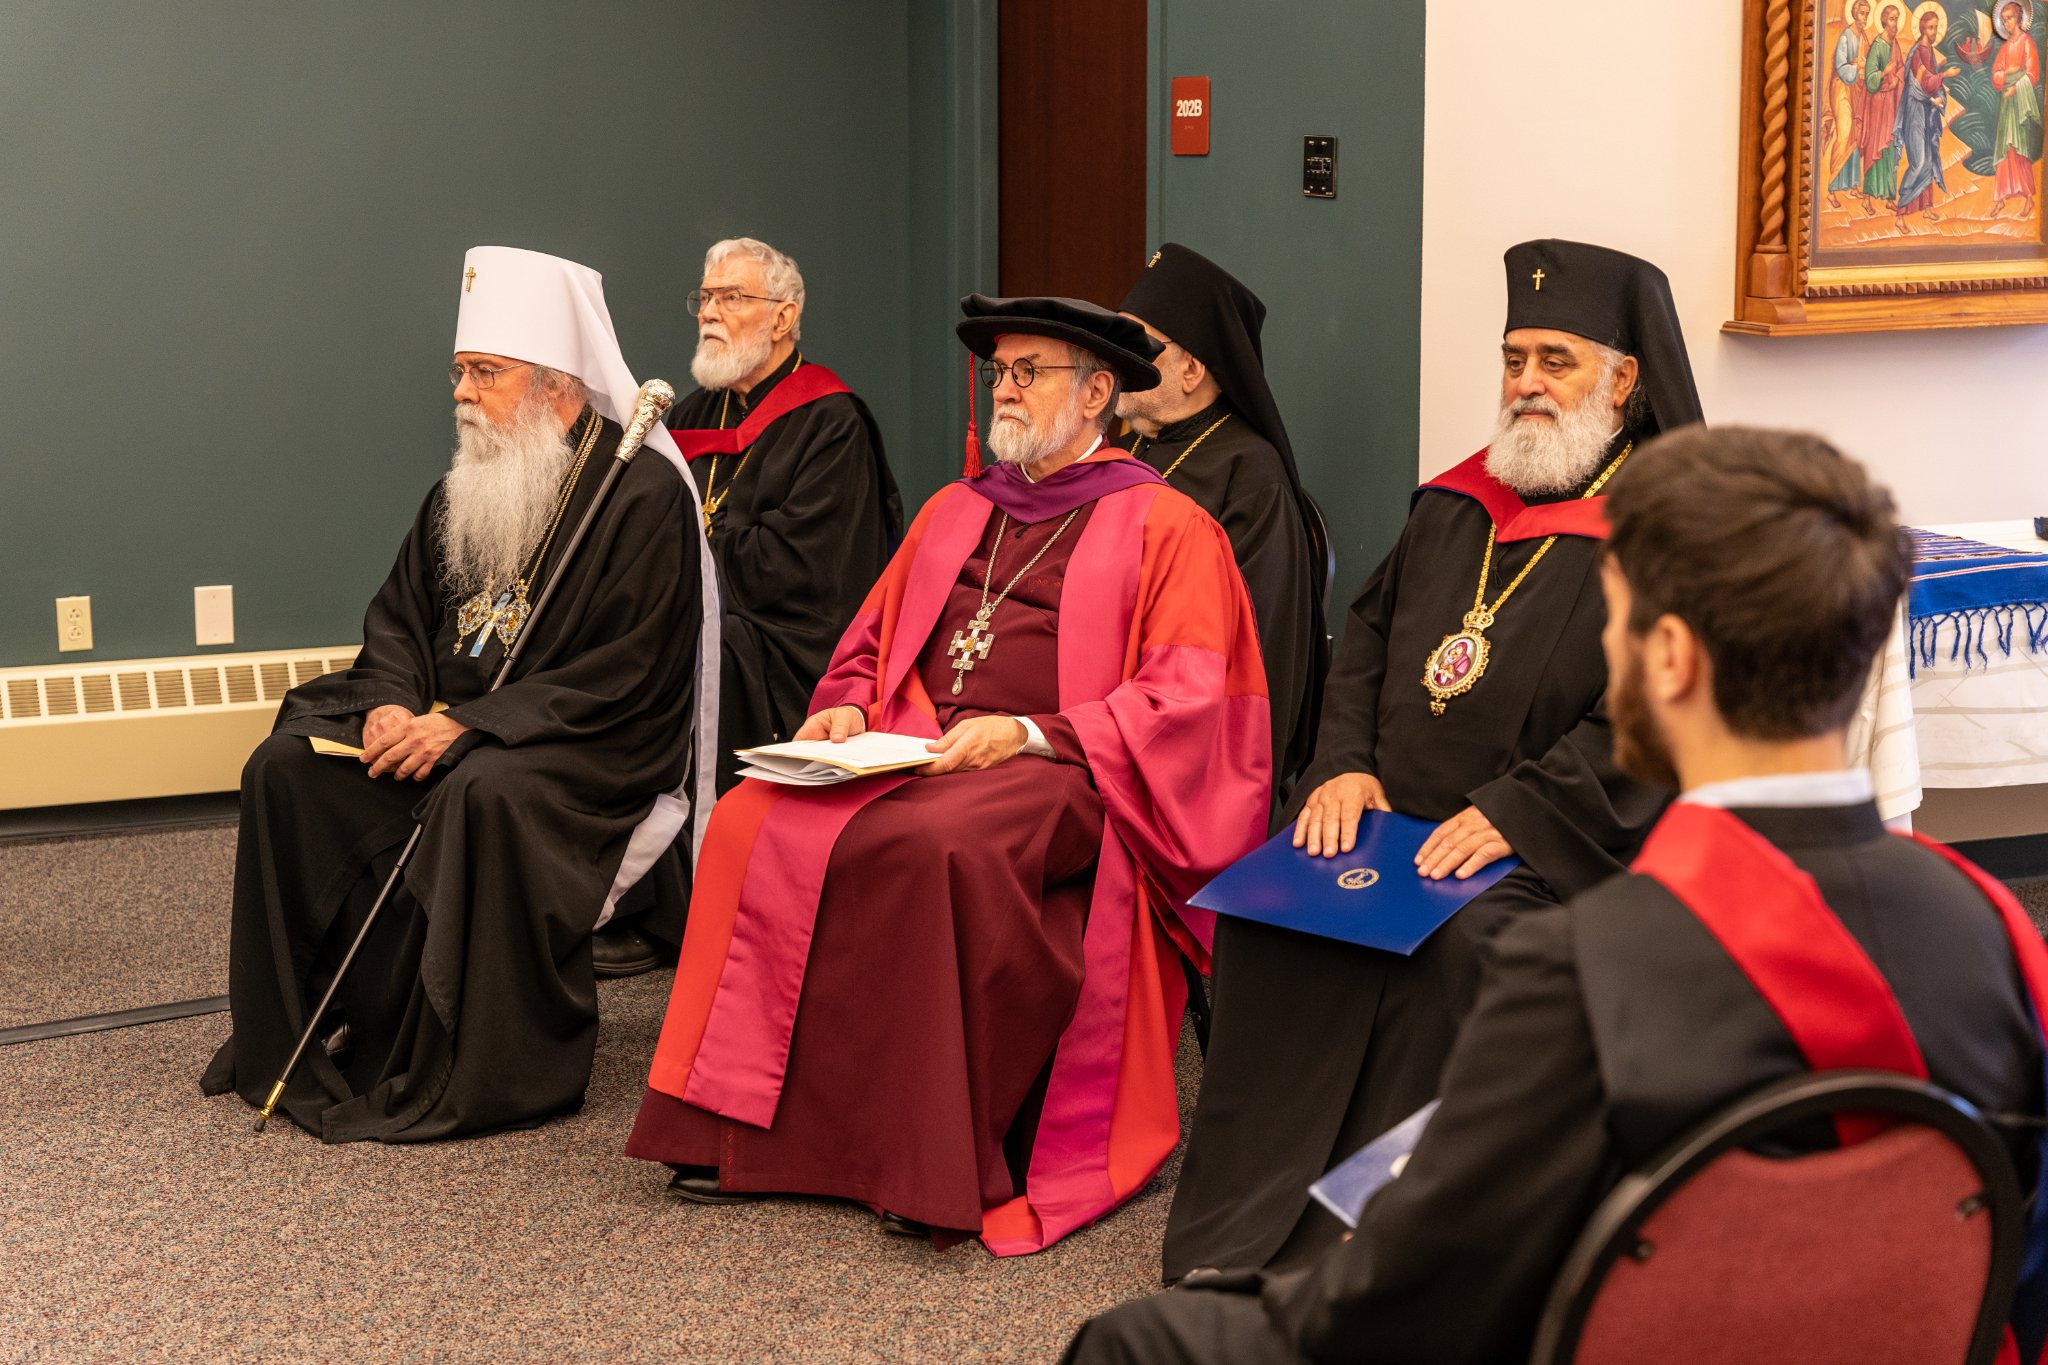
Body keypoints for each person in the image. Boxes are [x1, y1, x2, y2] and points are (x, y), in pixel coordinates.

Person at [1064, 424, 2048, 1365]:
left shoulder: (1579, 974)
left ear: (1670, 658)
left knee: (1128, 1345)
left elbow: (1407, 1300)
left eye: (1615, 624)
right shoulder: (1997, 930)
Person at [625, 295, 1271, 1254]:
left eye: (1029, 371)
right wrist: (850, 705)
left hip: (1066, 766)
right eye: (1000, 371)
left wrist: (1032, 732)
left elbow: (1188, 698)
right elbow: (871, 644)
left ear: (1098, 391)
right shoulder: (957, 508)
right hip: (919, 746)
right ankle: (738, 1135)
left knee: (936, 846)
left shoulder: (1168, 525)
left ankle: (913, 1159)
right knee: (756, 817)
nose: (1005, 388)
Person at [1162, 240, 1698, 1283]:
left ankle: (1391, 1248)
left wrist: (1519, 813)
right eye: (1513, 357)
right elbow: (1363, 641)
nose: (1526, 382)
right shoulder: (1459, 502)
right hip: (1392, 816)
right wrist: (1340, 766)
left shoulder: (1666, 529)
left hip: (1551, 844)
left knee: (1461, 950)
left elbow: (1656, 714)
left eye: (1555, 360)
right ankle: (1248, 1229)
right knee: (1272, 916)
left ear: (1623, 379)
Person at [201, 246, 719, 1141]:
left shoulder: (640, 495)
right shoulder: (461, 489)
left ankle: (458, 1057)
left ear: (556, 385)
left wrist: (473, 726)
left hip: (572, 747)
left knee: (480, 792)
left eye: (485, 373)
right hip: (442, 725)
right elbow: (399, 620)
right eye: (458, 373)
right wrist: (392, 703)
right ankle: (302, 1025)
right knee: (285, 767)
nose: (462, 394)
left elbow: (628, 671)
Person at [667, 237, 902, 793]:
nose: (709, 313)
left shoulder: (832, 423)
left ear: (783, 318)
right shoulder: (690, 414)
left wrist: (676, 561)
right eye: (705, 297)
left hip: (785, 647)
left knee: (695, 646)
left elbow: (799, 565)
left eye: (731, 297)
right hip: (703, 612)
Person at [1116, 243, 1328, 795]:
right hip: (1104, 712)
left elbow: (1258, 648)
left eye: (1139, 344)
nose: (1117, 359)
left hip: (1191, 743)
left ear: (1190, 369)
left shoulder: (1252, 476)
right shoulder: (1124, 454)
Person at [1893, 8, 1962, 229]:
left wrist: (1937, 98)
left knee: (1929, 158)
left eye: (1936, 28)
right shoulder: (1917, 53)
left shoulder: (1928, 50)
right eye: (1931, 28)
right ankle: (1901, 212)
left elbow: (1930, 85)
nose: (1934, 32)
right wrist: (1945, 75)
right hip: (1915, 111)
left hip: (1926, 110)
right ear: (1923, 28)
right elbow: (1923, 83)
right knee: (1918, 161)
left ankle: (1926, 207)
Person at [1991, 1, 2041, 218]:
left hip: (2020, 105)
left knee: (2020, 150)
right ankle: (2000, 199)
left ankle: (2029, 198)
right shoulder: (2005, 47)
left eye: (2009, 18)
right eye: (2003, 20)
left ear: (2019, 18)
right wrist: (2007, 74)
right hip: (2007, 106)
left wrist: (2014, 87)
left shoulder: (2027, 42)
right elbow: (1995, 75)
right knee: (2004, 150)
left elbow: (2032, 74)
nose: (2006, 23)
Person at [1861, 5, 1909, 212]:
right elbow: (1870, 78)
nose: (1895, 23)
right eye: (1891, 19)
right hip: (1878, 103)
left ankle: (1889, 197)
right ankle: (1866, 198)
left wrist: (1897, 77)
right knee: (1875, 148)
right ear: (1883, 21)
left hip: (1891, 103)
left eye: (1897, 19)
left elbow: (1901, 68)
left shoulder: (1895, 43)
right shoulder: (1877, 45)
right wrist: (1884, 73)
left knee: (1890, 147)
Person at [1827, 0, 1874, 207]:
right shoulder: (1846, 36)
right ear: (1854, 14)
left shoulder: (1864, 37)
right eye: (1862, 13)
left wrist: (1866, 69)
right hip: (1841, 88)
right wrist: (1858, 67)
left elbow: (1869, 63)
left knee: (1856, 135)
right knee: (1844, 133)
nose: (1865, 17)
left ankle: (1853, 185)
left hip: (1856, 89)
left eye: (1867, 14)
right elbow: (1841, 66)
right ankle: (1831, 188)